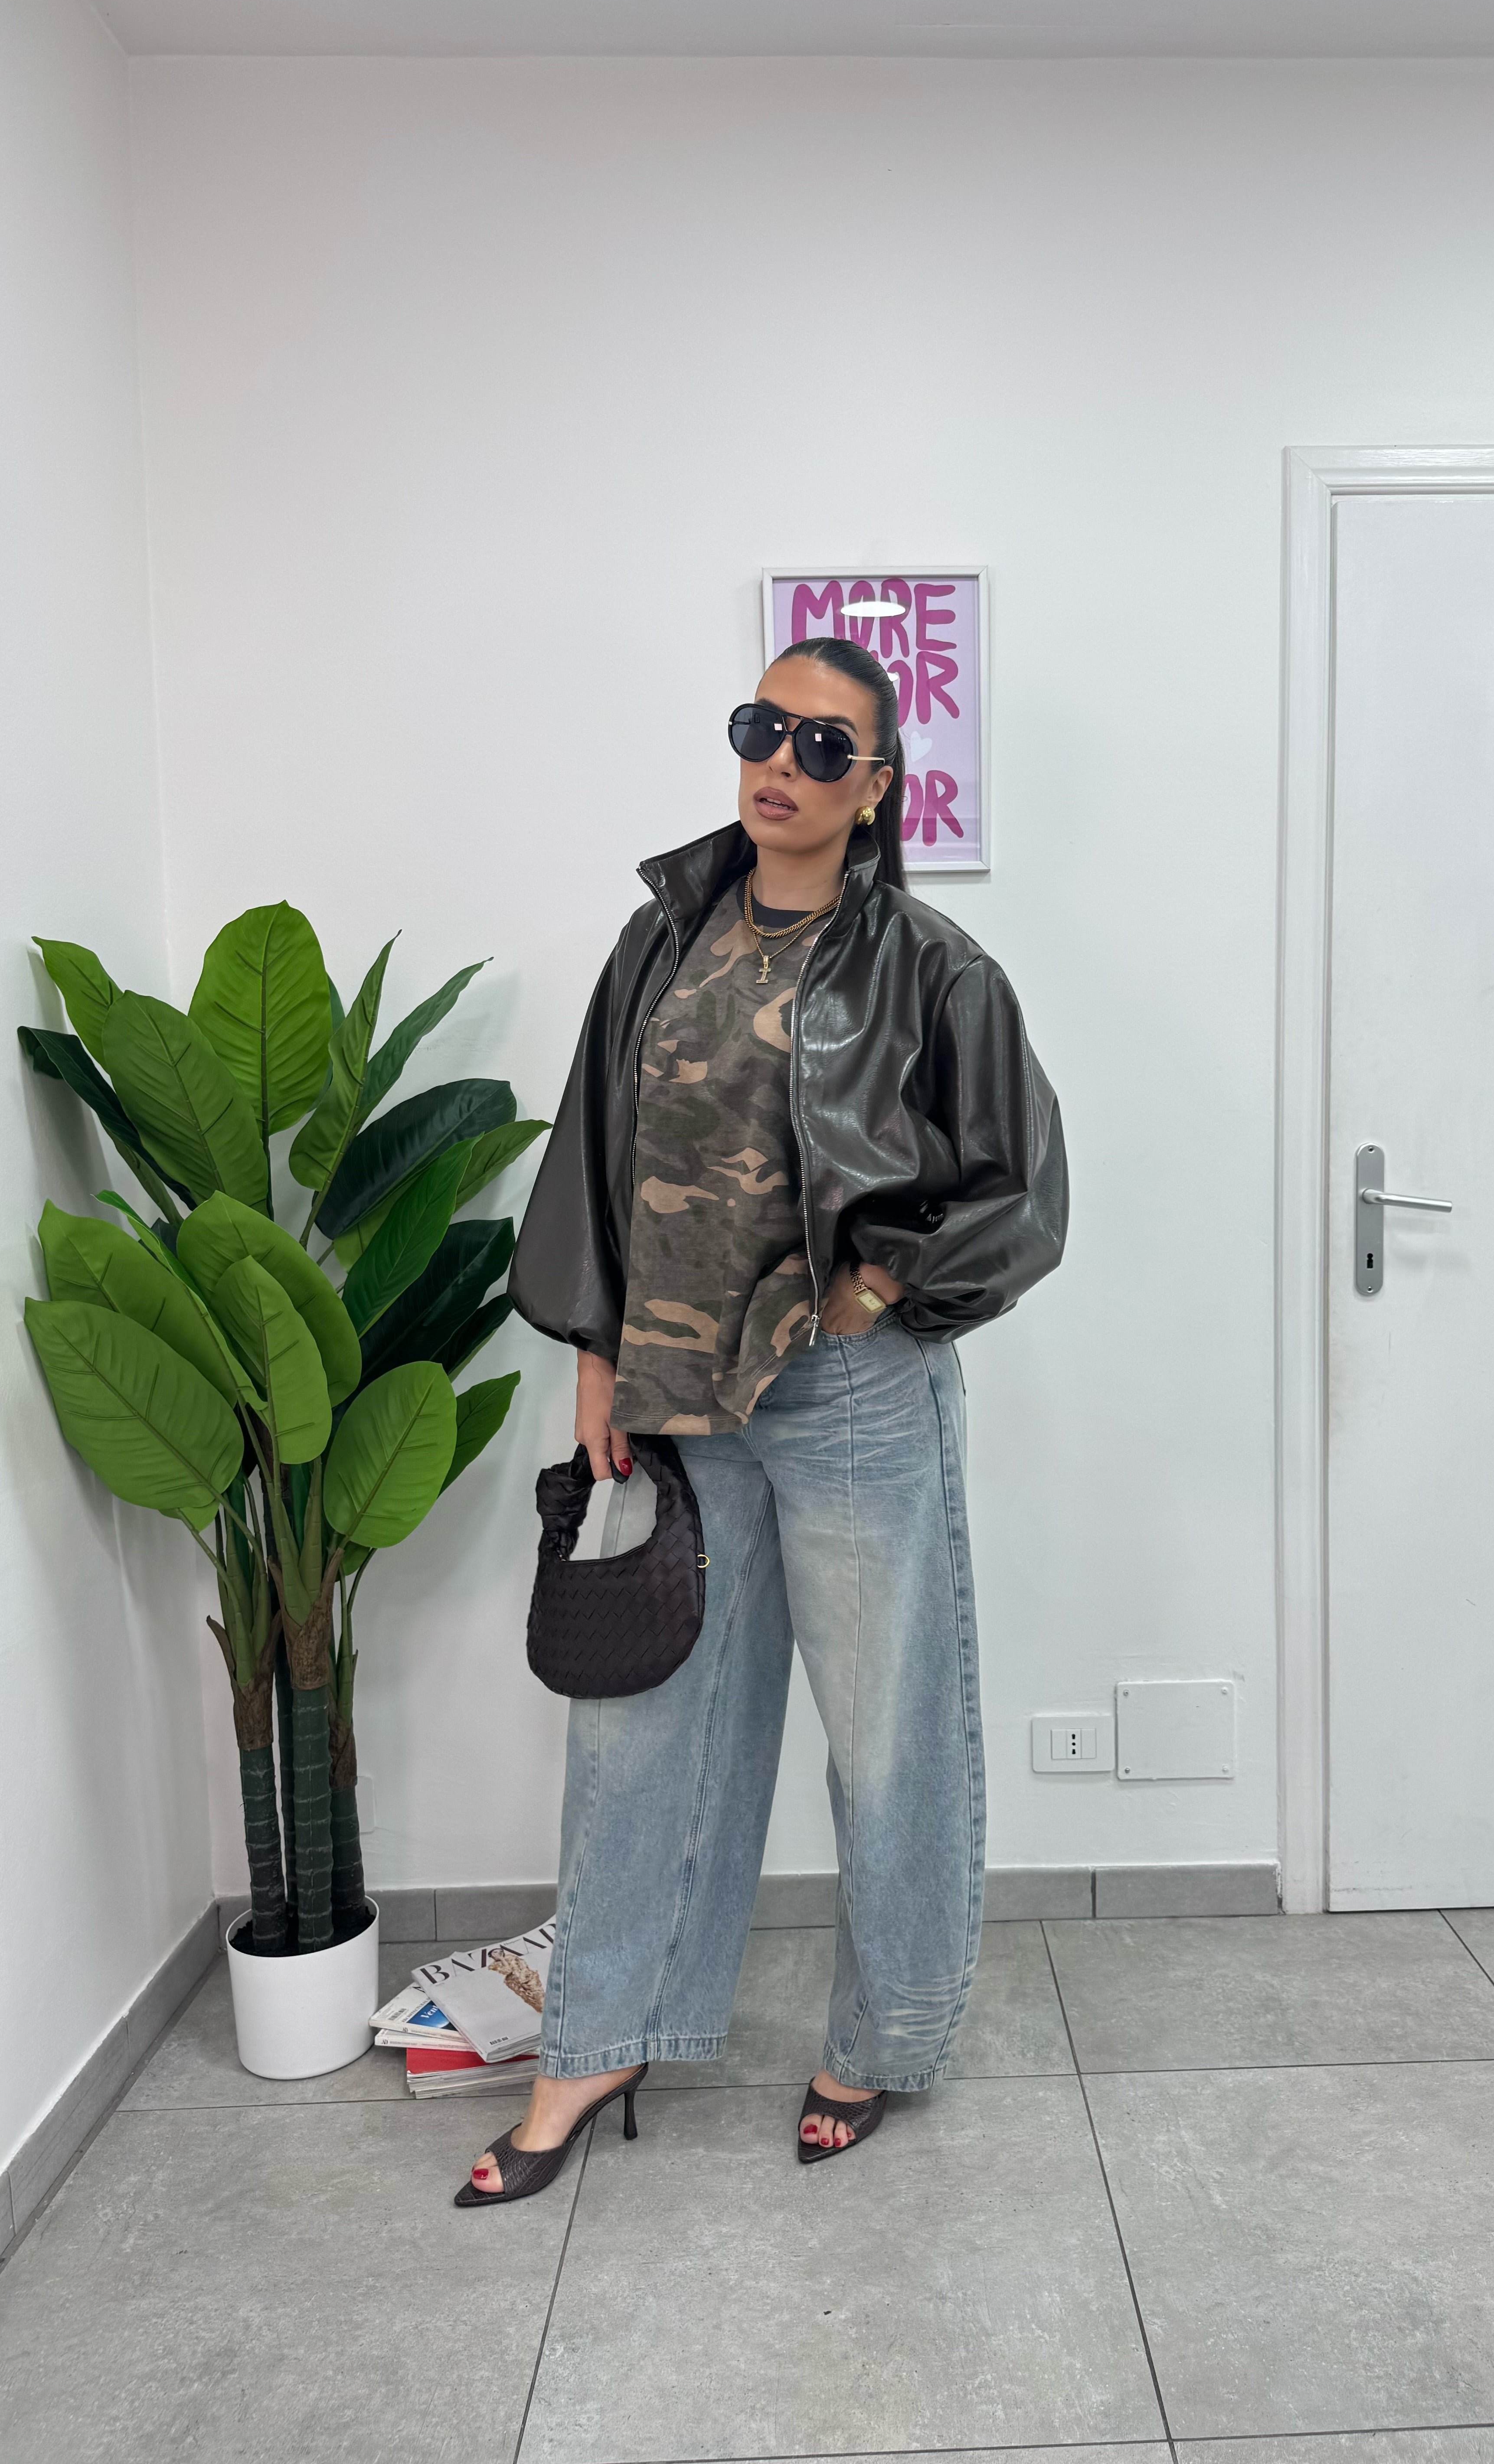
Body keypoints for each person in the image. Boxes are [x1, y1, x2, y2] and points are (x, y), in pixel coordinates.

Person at [457, 635, 1067, 2206]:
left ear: (875, 787)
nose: (780, 764)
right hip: (673, 1397)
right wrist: (593, 1360)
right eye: (760, 729)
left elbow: (1020, 1189)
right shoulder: (661, 935)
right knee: (640, 1729)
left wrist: (874, 1290)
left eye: (821, 745)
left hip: (848, 1393)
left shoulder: (933, 966)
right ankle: (599, 2043)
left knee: (885, 1732)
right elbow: (595, 1154)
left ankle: (881, 2038)